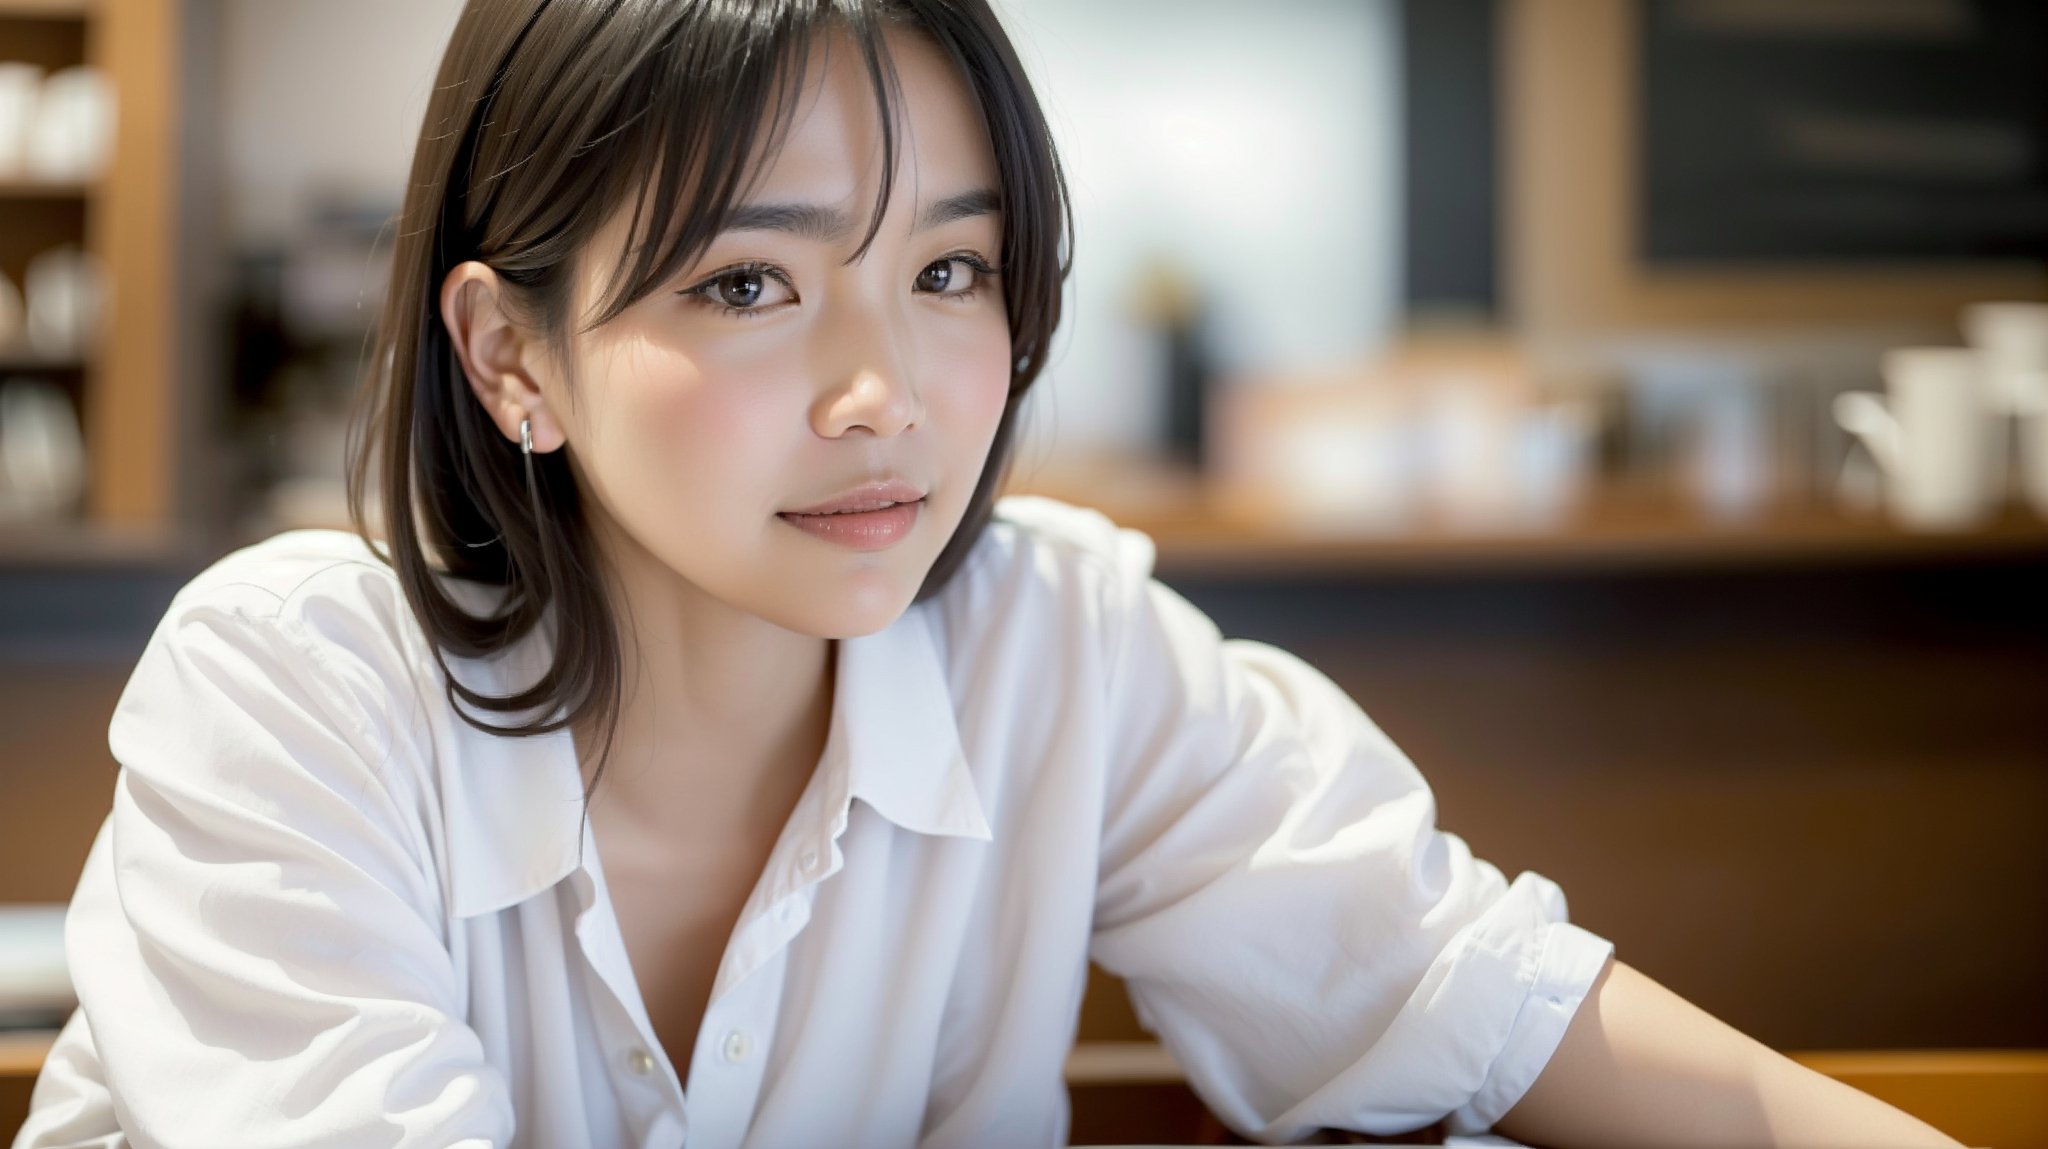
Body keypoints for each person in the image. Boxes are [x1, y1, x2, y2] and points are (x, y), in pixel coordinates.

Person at [14, 2, 1966, 1147]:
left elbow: (1468, 987)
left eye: (948, 270)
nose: (889, 395)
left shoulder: (1057, 641)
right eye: (752, 282)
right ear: (512, 354)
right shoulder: (295, 678)